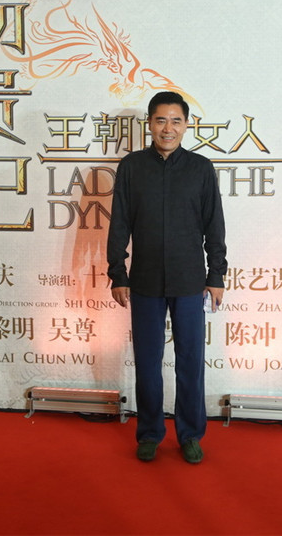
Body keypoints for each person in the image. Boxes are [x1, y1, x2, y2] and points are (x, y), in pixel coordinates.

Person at [106, 91, 227, 464]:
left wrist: (216, 274)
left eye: (176, 121)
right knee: (147, 362)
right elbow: (119, 223)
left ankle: (190, 434)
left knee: (190, 361)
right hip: (144, 281)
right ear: (150, 124)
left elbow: (214, 225)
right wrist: (118, 273)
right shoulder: (132, 167)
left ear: (186, 125)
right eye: (161, 120)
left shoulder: (200, 168)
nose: (168, 128)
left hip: (190, 281)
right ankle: (149, 433)